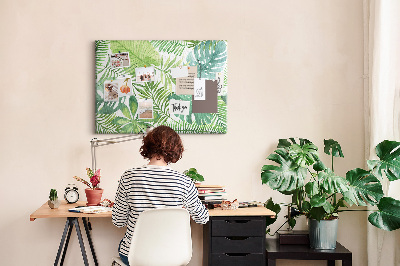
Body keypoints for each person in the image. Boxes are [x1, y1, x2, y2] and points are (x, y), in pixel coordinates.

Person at [112, 125, 209, 265]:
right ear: (175, 149)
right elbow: (202, 218)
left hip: (135, 258)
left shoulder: (129, 177)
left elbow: (118, 221)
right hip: (173, 257)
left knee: (126, 245)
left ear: (148, 146)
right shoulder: (184, 182)